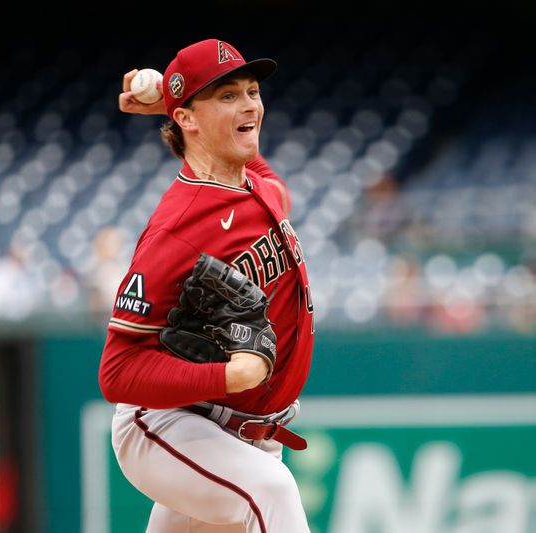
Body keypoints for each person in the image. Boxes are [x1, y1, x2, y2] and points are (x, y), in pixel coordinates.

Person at [98, 38, 315, 532]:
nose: (249, 105)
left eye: (252, 91)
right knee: (272, 494)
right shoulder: (176, 229)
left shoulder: (256, 187)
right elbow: (116, 373)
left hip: (242, 433)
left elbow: (273, 185)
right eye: (227, 95)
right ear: (189, 120)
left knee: (262, 490)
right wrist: (228, 377)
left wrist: (174, 108)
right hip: (168, 422)